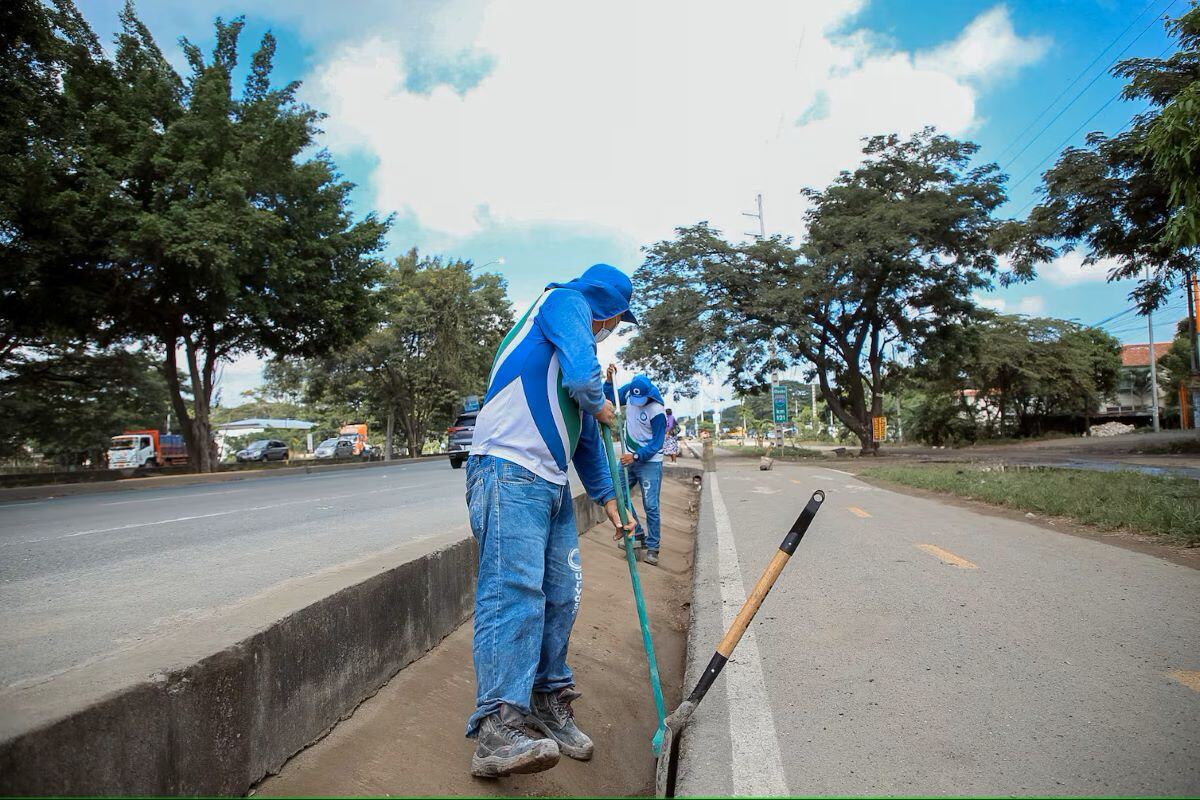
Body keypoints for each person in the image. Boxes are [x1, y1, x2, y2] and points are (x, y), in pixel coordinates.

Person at [463, 263, 636, 778]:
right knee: (513, 590)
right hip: (509, 467)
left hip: (552, 482)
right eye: (617, 322)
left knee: (563, 595)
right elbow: (588, 386)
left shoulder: (570, 354)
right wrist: (603, 402)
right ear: (610, 311)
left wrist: (610, 500)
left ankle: (546, 698)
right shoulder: (564, 302)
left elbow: (583, 435)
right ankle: (497, 726)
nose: (611, 331)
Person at [604, 366, 667, 566]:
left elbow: (657, 444)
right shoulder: (630, 392)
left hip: (649, 461)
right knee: (617, 494)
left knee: (651, 505)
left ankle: (653, 547)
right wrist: (608, 381)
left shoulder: (657, 411)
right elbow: (609, 398)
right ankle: (637, 533)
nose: (637, 403)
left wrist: (637, 456)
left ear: (649, 395)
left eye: (642, 401)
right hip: (628, 457)